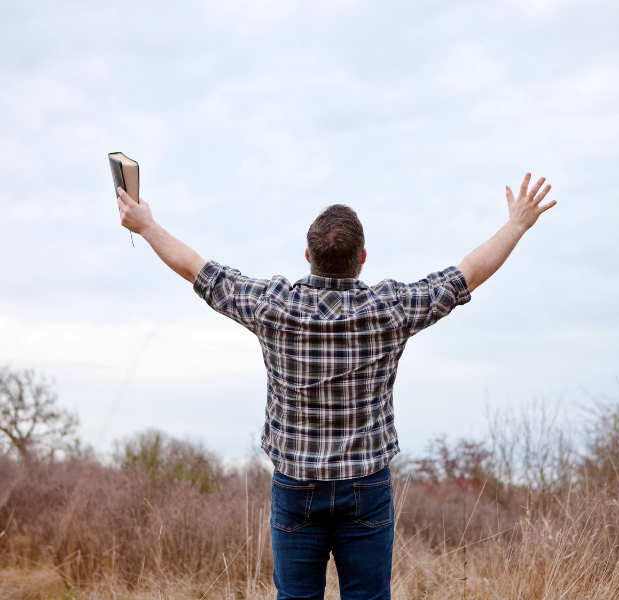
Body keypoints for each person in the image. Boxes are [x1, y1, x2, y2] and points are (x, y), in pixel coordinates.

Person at [116, 173, 555, 600]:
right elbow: (467, 275)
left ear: (307, 256)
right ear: (362, 257)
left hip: (295, 486)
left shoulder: (273, 305)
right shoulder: (391, 309)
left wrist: (147, 225)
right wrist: (516, 224)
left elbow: (199, 271)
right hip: (366, 486)